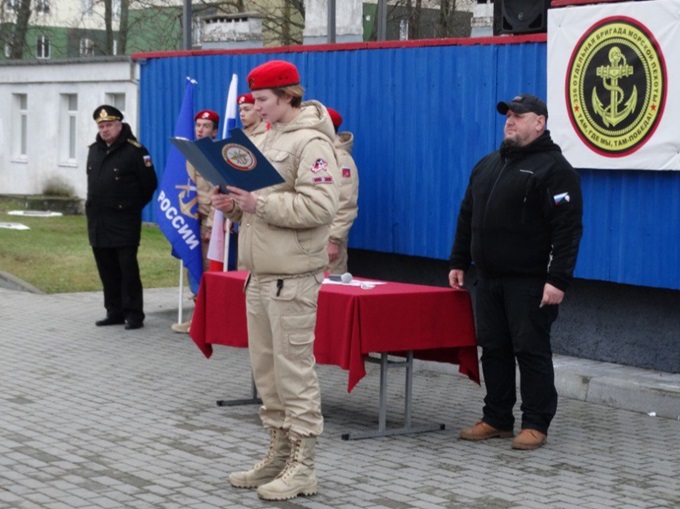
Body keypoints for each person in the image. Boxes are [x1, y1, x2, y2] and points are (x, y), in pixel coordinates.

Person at [212, 60, 339, 501]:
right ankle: (278, 454)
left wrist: (259, 206)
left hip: (293, 277)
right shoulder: (263, 138)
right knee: (267, 374)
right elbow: (254, 204)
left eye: (263, 99)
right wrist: (232, 205)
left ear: (288, 95)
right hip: (260, 274)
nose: (257, 107)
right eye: (255, 100)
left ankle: (303, 467)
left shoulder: (312, 142)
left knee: (293, 373)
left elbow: (320, 207)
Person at [448, 94, 583, 450]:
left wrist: (558, 279)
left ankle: (536, 423)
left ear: (539, 123)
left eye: (519, 116)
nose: (510, 121)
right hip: (489, 278)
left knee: (530, 350)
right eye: (508, 115)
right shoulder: (488, 165)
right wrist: (459, 260)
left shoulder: (554, 170)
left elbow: (567, 230)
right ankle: (497, 418)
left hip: (531, 281)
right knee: (494, 349)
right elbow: (467, 215)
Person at [86, 105, 158, 330]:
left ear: (119, 125)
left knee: (127, 269)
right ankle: (114, 311)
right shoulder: (94, 150)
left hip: (124, 220)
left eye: (109, 125)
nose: (105, 130)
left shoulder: (135, 151)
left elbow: (149, 185)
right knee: (106, 268)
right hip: (99, 221)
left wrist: (129, 207)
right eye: (101, 126)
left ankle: (134, 314)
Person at [171, 109, 220, 334]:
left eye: (206, 126)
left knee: (206, 269)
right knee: (192, 266)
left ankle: (206, 320)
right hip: (190, 220)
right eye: (198, 125)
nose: (200, 129)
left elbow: (218, 192)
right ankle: (197, 317)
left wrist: (211, 224)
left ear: (215, 131)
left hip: (207, 222)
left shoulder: (214, 156)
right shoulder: (190, 153)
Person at [325, 107, 359, 274]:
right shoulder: (315, 153)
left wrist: (334, 239)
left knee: (331, 284)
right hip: (307, 241)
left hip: (327, 241)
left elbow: (346, 203)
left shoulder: (341, 159)